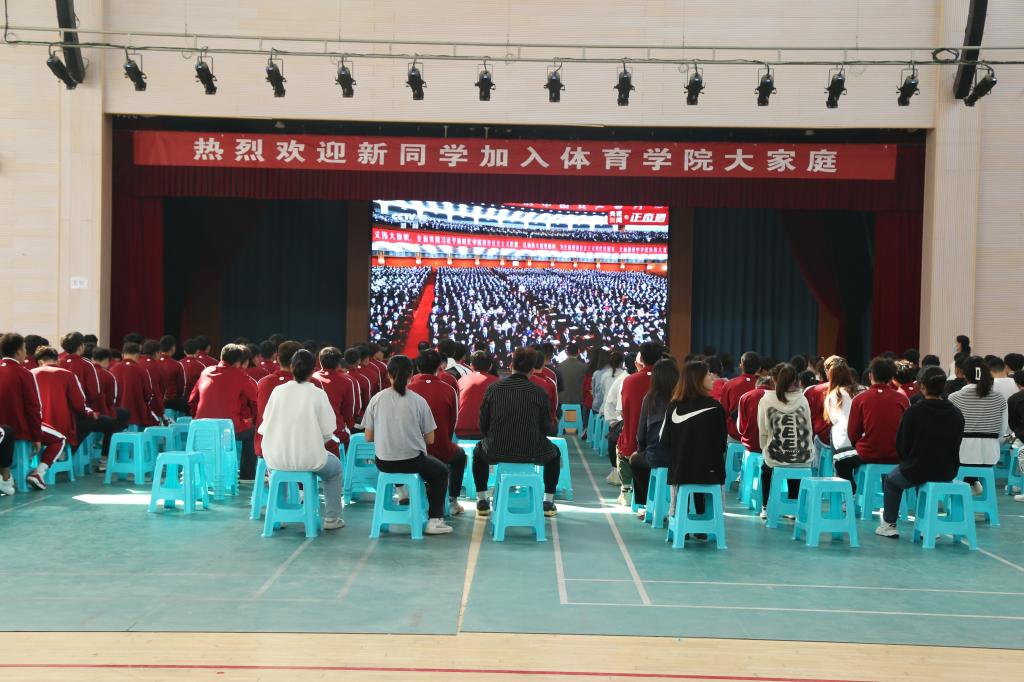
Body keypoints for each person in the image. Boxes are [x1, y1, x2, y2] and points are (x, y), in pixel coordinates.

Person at [361, 355, 453, 535]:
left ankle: (402, 491)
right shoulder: (418, 401)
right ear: (411, 375)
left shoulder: (377, 399)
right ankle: (435, 520)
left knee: (395, 457)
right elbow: (430, 439)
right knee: (441, 472)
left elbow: (368, 437)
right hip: (412, 461)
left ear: (388, 374)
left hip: (383, 462)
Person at [258, 349, 345, 530]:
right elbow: (328, 431)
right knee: (335, 470)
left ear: (291, 367)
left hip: (275, 457)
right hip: (310, 459)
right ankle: (332, 518)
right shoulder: (318, 394)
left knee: (276, 472)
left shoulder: (277, 391)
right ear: (313, 370)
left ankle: (279, 515)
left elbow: (265, 423)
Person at [472, 347, 561, 518]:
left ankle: (482, 500)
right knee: (555, 454)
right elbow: (546, 428)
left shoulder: (493, 389)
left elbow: (483, 425)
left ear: (511, 365)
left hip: (495, 450)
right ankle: (548, 501)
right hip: (532, 451)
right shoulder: (539, 393)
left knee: (478, 452)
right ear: (532, 369)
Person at [875, 367, 964, 537]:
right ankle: (927, 524)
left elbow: (901, 445)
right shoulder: (956, 413)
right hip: (947, 471)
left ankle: (889, 524)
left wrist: (908, 461)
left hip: (916, 468)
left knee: (891, 481)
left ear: (922, 387)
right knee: (921, 480)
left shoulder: (914, 411)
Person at [660, 360, 727, 525]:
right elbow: (722, 444)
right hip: (712, 473)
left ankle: (681, 520)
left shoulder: (673, 407)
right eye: (708, 375)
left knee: (687, 465)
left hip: (681, 472)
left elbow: (664, 440)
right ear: (698, 380)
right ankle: (705, 521)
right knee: (702, 465)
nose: (712, 378)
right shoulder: (716, 407)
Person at [836, 357, 909, 495]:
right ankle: (890, 496)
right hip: (897, 455)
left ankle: (851, 496)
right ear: (891, 378)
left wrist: (861, 446)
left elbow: (853, 433)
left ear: (870, 376)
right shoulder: (903, 399)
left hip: (868, 453)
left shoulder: (860, 399)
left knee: (838, 459)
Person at [26, 346, 95, 490]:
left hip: (32, 426)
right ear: (57, 360)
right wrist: (90, 413)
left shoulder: (29, 374)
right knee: (85, 424)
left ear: (39, 361)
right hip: (60, 427)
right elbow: (79, 405)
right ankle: (48, 466)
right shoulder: (68, 375)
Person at [189, 343, 259, 480]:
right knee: (253, 433)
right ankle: (247, 477)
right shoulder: (240, 375)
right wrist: (254, 419)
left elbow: (192, 399)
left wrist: (197, 418)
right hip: (229, 429)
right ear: (239, 362)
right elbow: (256, 399)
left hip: (201, 427)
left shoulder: (205, 372)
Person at [408, 350, 466, 514]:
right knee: (460, 456)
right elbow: (452, 424)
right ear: (440, 366)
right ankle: (453, 501)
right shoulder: (448, 389)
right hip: (440, 449)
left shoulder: (407, 388)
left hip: (409, 451)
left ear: (417, 366)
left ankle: (405, 492)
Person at [757, 363, 814, 519]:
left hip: (775, 458)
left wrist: (764, 448)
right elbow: (808, 430)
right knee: (794, 460)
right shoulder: (803, 400)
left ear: (774, 379)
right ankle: (793, 505)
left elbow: (763, 432)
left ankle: (765, 506)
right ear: (796, 380)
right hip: (804, 458)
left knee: (766, 469)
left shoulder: (765, 400)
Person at [948, 356, 1009, 494]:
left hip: (962, 455)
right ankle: (974, 483)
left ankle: (969, 485)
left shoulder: (954, 397)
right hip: (990, 456)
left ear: (964, 374)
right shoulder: (999, 398)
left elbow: (949, 431)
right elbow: (1002, 431)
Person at [614, 342, 663, 507]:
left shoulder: (629, 380)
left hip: (635, 442)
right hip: (664, 444)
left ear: (640, 359)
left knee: (620, 443)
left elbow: (623, 412)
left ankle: (626, 490)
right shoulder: (669, 381)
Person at [0, 334, 49, 495]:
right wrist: (37, 437)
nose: (26, 352)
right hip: (19, 429)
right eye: (24, 349)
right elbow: (33, 408)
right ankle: (16, 480)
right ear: (18, 351)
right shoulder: (25, 374)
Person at [632, 358, 678, 519]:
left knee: (635, 461)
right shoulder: (683, 398)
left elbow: (641, 433)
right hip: (679, 457)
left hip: (657, 454)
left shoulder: (650, 398)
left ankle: (648, 504)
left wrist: (640, 449)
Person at [256, 341, 303, 460]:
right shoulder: (311, 384)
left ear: (277, 358)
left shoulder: (263, 383)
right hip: (300, 449)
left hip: (266, 449)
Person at [312, 347, 357, 454]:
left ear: (320, 361)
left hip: (313, 433)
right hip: (337, 433)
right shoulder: (347, 381)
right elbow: (350, 412)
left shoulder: (312, 378)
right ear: (339, 363)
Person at [823, 356, 864, 463]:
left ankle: (837, 470)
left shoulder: (833, 395)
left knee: (833, 430)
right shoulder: (864, 390)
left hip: (843, 446)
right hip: (864, 443)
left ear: (829, 373)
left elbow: (834, 421)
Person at [110, 342, 157, 428]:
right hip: (137, 416)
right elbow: (148, 395)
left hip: (117, 416)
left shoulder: (112, 370)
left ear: (123, 354)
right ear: (137, 355)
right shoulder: (142, 370)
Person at [454, 351, 499, 439]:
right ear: (490, 366)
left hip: (461, 431)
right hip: (489, 432)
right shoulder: (498, 382)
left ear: (471, 365)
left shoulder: (461, 380)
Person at [601, 351, 628, 485]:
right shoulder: (624, 377)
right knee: (615, 437)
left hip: (613, 415)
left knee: (614, 437)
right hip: (618, 417)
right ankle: (618, 471)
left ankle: (616, 471)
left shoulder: (604, 375)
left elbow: (601, 393)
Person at [722, 351, 761, 442]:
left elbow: (723, 412)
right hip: (756, 437)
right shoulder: (764, 387)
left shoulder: (728, 384)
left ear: (741, 366)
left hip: (733, 435)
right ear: (759, 369)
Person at [158, 335, 189, 416]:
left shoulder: (155, 363)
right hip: (171, 401)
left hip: (157, 400)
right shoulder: (177, 365)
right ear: (173, 348)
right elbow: (181, 388)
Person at [529, 350, 559, 432]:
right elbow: (554, 407)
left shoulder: (523, 380)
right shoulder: (550, 382)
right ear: (543, 364)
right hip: (545, 425)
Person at [139, 340, 168, 422]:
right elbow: (162, 389)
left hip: (138, 406)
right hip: (155, 406)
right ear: (157, 353)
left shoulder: (138, 364)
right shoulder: (159, 367)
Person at [557, 342, 587, 411]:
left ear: (567, 353)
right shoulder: (583, 367)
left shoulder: (560, 366)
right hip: (579, 401)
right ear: (578, 352)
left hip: (563, 400)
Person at [180, 338, 206, 402]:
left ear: (184, 351)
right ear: (197, 351)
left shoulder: (178, 364)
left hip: (180, 400)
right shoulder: (201, 366)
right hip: (195, 400)